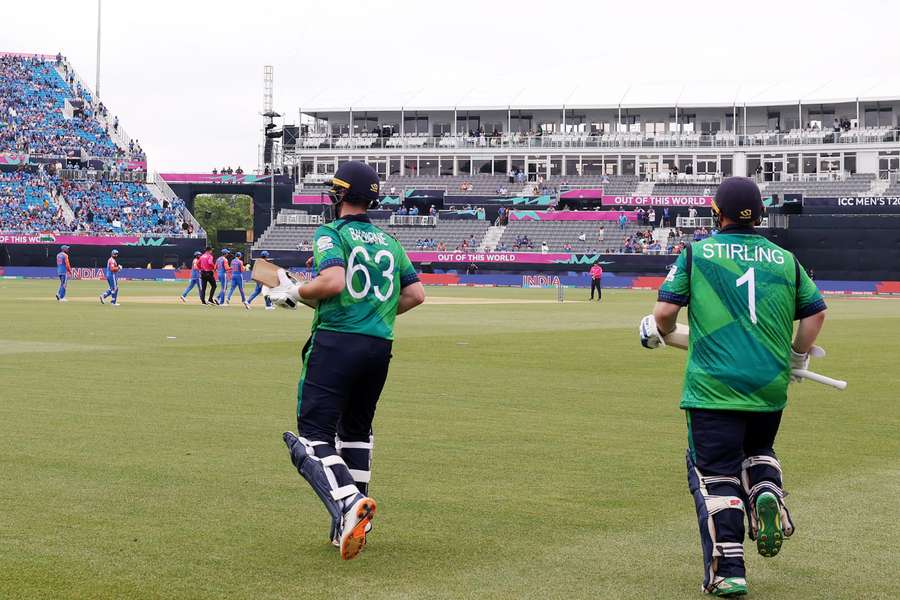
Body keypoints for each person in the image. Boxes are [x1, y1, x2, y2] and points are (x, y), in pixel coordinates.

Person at [639, 177, 828, 597]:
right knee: (758, 451)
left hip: (713, 387)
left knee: (715, 476)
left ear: (716, 211)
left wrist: (656, 331)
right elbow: (815, 315)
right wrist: (797, 357)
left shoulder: (698, 253)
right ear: (759, 214)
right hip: (768, 385)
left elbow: (666, 313)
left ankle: (729, 571)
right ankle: (765, 489)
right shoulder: (785, 259)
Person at [269, 161, 425, 561]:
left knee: (313, 435)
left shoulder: (331, 233)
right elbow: (415, 295)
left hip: (337, 343)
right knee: (356, 431)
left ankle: (350, 502)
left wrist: (295, 291)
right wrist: (374, 314)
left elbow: (334, 282)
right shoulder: (390, 242)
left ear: (339, 194)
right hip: (379, 346)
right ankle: (351, 525)